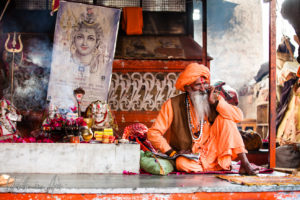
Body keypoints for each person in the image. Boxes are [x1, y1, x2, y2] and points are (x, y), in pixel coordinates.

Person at [147, 63, 259, 175]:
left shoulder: (213, 98)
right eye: (197, 85)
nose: (202, 89)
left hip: (214, 153)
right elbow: (153, 133)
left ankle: (245, 163)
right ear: (187, 87)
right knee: (181, 163)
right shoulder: (172, 104)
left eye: (205, 84)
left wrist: (215, 103)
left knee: (227, 120)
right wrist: (171, 152)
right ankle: (214, 168)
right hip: (192, 157)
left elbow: (238, 116)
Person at [70, 7, 104, 75]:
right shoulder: (66, 61)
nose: (84, 43)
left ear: (97, 42)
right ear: (74, 39)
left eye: (90, 38)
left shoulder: (99, 65)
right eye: (80, 37)